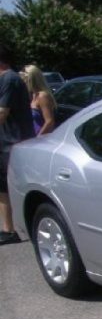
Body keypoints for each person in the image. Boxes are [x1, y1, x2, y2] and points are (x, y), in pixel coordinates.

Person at [0, 44, 35, 245]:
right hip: (4, 143)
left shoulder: (10, 79)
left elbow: (2, 113)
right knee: (2, 188)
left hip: (14, 143)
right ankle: (8, 229)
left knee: (16, 187)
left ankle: (23, 227)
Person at [21, 64, 56, 136]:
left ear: (31, 79)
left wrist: (38, 138)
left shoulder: (42, 96)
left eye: (24, 79)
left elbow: (49, 121)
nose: (23, 81)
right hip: (30, 137)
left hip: (41, 138)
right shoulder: (31, 95)